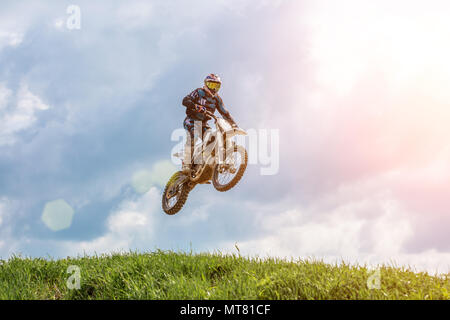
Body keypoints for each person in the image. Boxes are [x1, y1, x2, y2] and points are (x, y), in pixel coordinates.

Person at [181, 74, 238, 174]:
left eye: (216, 86)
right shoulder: (198, 92)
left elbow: (225, 112)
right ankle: (186, 162)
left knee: (212, 139)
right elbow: (185, 100)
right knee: (193, 136)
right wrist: (195, 106)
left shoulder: (217, 99)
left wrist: (234, 125)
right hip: (191, 120)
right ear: (205, 84)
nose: (213, 88)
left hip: (203, 124)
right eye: (211, 85)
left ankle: (205, 162)